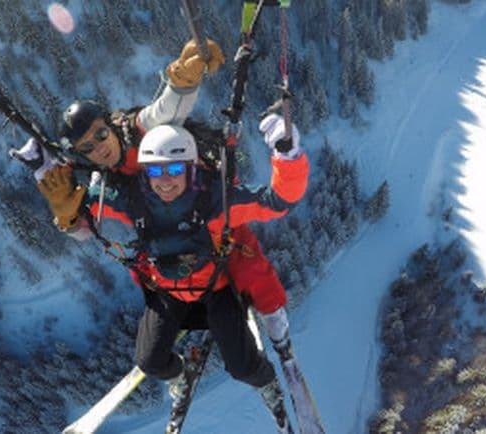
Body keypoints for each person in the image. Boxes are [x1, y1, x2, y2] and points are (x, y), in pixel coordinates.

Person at [13, 38, 295, 359]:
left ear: (110, 124)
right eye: (87, 148)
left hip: (200, 198)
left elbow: (168, 107)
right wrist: (66, 216)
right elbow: (88, 228)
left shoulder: (139, 130)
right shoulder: (103, 180)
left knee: (244, 260)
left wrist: (185, 78)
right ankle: (180, 321)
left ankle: (274, 318)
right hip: (163, 226)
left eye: (100, 134)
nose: (98, 147)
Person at [38, 114, 306, 432]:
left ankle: (265, 382)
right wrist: (53, 187)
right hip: (169, 292)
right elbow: (81, 209)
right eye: (156, 171)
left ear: (191, 169)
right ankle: (179, 376)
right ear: (145, 174)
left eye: (175, 169)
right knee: (150, 361)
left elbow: (278, 201)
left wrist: (287, 156)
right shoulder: (132, 200)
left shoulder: (215, 200)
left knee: (243, 366)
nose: (165, 180)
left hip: (215, 290)